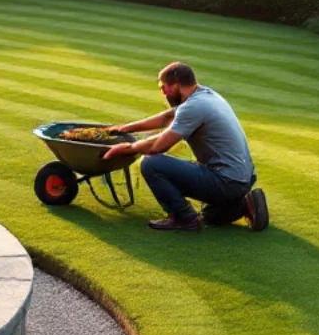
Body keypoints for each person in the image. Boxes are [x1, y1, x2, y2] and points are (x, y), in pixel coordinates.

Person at [103, 62, 268, 233]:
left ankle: (184, 218)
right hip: (241, 178)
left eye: (163, 87)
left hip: (226, 180)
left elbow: (158, 147)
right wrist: (126, 128)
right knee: (210, 215)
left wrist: (130, 147)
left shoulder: (193, 107)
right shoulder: (205, 95)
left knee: (152, 163)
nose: (163, 93)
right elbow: (166, 117)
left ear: (175, 84)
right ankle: (245, 204)